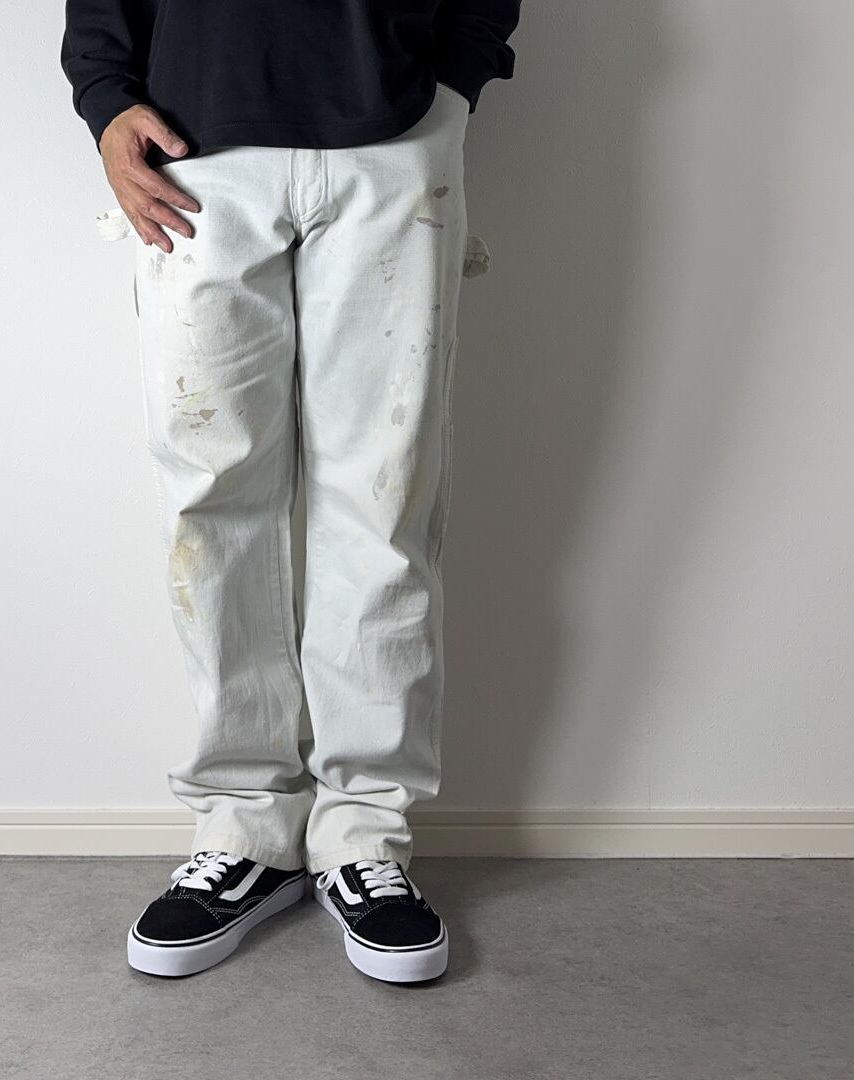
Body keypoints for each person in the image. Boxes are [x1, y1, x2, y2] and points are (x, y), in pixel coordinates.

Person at [61, 0, 521, 984]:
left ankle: (365, 835)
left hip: (392, 133)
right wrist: (105, 99)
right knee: (211, 505)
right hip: (190, 145)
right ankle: (246, 828)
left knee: (385, 500)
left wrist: (453, 88)